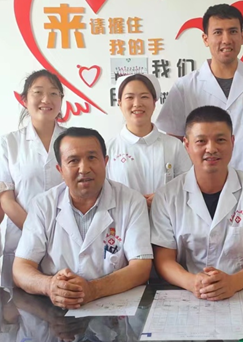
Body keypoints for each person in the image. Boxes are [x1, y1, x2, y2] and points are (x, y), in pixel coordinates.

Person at [152, 106, 243, 300]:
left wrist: (234, 282)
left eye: (220, 140)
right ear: (186, 145)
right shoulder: (167, 196)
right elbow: (164, 259)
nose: (211, 149)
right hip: (187, 294)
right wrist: (192, 282)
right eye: (201, 141)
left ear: (232, 142)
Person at [12, 127, 153, 308]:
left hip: (114, 306)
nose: (84, 169)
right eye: (73, 161)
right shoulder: (43, 205)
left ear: (106, 162)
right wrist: (50, 286)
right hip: (57, 308)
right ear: (60, 169)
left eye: (92, 158)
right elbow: (21, 268)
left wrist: (93, 290)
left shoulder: (132, 201)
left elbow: (141, 268)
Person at [156, 3, 243, 185]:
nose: (226, 40)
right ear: (205, 39)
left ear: (242, 36)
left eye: (233, 31)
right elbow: (175, 144)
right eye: (218, 32)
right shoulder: (185, 87)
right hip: (201, 184)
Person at [0, 70, 66, 288]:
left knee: (67, 296)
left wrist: (55, 236)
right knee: (21, 305)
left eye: (54, 93)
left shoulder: (73, 140)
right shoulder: (8, 143)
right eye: (38, 92)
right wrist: (38, 233)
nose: (46, 99)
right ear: (24, 100)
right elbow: (6, 200)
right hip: (22, 240)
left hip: (68, 239)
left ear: (61, 100)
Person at [107, 73, 191, 207]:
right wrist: (133, 203)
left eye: (144, 97)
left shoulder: (174, 146)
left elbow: (188, 187)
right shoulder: (108, 149)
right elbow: (102, 193)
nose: (137, 104)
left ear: (154, 102)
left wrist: (164, 197)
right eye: (130, 97)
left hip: (166, 218)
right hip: (123, 219)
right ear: (120, 103)